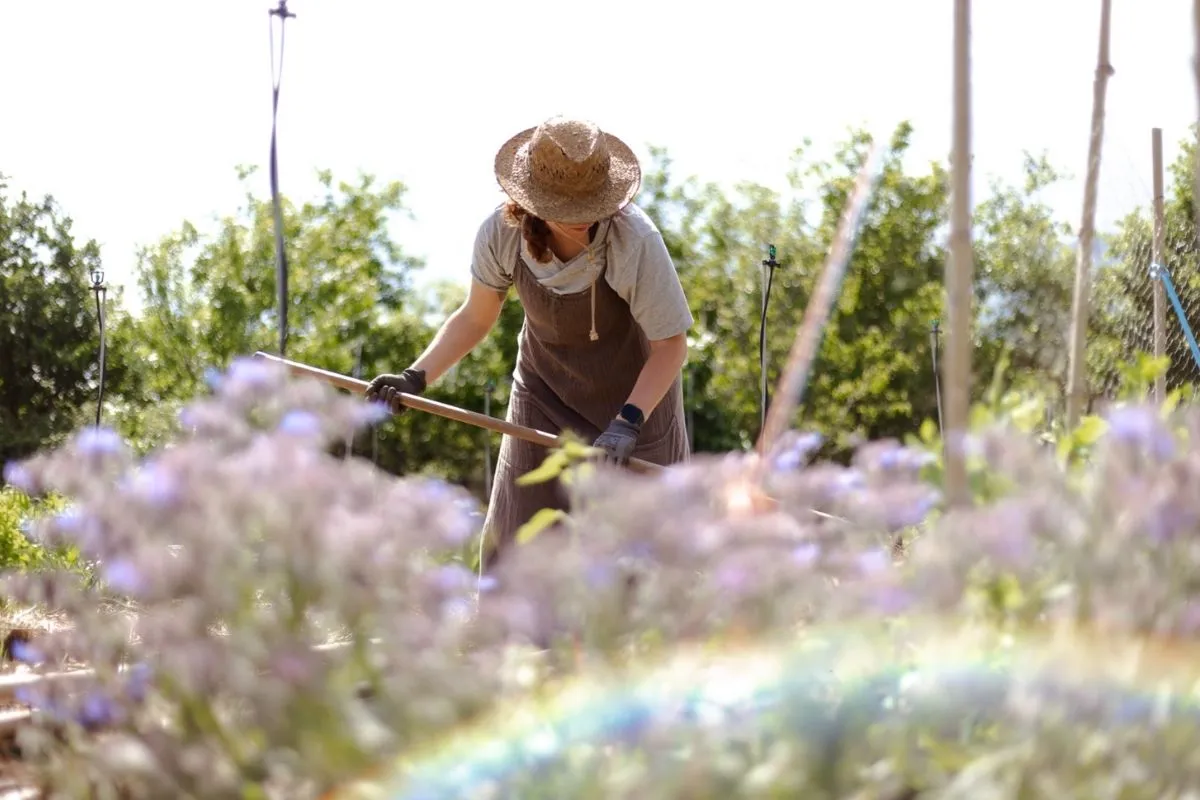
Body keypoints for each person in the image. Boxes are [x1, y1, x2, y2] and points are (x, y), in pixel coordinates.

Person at [366, 116, 693, 566]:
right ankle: (507, 637)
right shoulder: (502, 234)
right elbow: (475, 318)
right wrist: (413, 378)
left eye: (592, 204)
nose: (585, 218)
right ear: (535, 201)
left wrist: (627, 423)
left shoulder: (633, 239)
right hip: (544, 396)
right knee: (518, 543)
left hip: (636, 405)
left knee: (639, 556)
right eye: (569, 207)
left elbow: (672, 345)